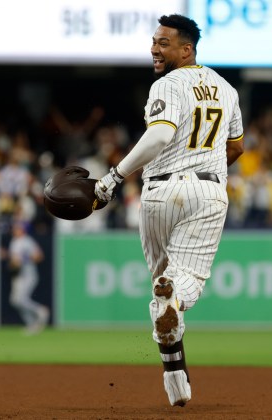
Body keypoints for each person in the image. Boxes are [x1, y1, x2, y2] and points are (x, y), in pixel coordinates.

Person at [95, 14, 244, 407]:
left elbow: (160, 134)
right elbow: (238, 147)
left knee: (163, 292)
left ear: (186, 49)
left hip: (158, 193)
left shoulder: (166, 84)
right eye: (154, 41)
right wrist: (206, 165)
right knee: (182, 286)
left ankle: (176, 384)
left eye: (163, 43)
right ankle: (173, 296)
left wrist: (113, 176)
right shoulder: (227, 90)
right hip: (207, 190)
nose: (154, 49)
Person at [7, 221, 49, 335]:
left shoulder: (27, 241)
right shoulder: (14, 242)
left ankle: (40, 311)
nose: (15, 229)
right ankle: (32, 324)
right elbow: (14, 261)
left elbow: (39, 256)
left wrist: (24, 259)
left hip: (29, 275)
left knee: (20, 299)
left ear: (23, 230)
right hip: (18, 275)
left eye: (17, 228)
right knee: (15, 301)